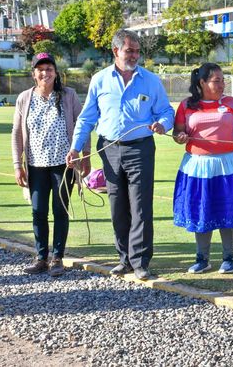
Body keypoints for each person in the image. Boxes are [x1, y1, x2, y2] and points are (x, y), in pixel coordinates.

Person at [66, 29, 174, 281]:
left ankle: (140, 262)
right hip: (110, 149)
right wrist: (75, 147)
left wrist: (163, 124)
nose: (135, 55)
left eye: (137, 51)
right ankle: (124, 259)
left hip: (141, 149)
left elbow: (166, 111)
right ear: (116, 51)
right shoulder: (100, 79)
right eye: (130, 51)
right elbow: (86, 118)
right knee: (118, 206)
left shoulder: (150, 80)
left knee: (141, 206)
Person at [11, 52, 91, 276]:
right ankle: (41, 257)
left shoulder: (68, 95)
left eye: (49, 69)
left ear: (56, 73)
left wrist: (85, 155)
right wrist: (18, 165)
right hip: (36, 165)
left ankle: (57, 257)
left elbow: (81, 125)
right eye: (40, 69)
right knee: (38, 212)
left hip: (63, 165)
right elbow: (17, 133)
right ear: (34, 73)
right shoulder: (24, 98)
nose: (45, 73)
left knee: (60, 210)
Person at [172, 63, 233, 274]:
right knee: (203, 211)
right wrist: (180, 137)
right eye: (216, 80)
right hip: (198, 167)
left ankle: (229, 258)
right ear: (202, 82)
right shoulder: (186, 106)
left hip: (228, 164)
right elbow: (178, 134)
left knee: (228, 210)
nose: (221, 84)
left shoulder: (232, 103)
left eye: (222, 80)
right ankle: (202, 258)